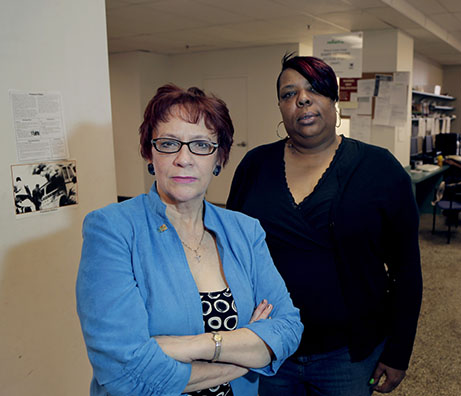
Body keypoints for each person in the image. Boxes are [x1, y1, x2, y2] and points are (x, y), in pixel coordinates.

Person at [76, 84, 303, 396]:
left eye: (201, 145)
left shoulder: (245, 231)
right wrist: (246, 353)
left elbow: (288, 329)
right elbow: (125, 371)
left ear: (219, 158)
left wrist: (194, 345)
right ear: (149, 153)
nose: (184, 159)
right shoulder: (112, 229)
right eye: (169, 143)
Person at [226, 54, 423, 395]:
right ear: (281, 108)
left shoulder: (379, 169)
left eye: (314, 89)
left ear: (335, 101)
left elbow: (407, 270)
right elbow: (232, 250)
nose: (302, 99)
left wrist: (398, 351)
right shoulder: (255, 165)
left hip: (347, 355)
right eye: (289, 94)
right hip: (270, 346)